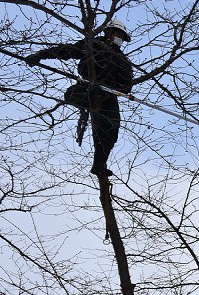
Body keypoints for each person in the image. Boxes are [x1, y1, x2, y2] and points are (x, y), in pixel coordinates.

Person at [25, 19, 133, 177]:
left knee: (111, 128)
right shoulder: (92, 45)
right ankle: (90, 99)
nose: (119, 38)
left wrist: (111, 85)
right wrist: (41, 55)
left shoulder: (122, 60)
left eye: (122, 37)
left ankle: (99, 165)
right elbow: (67, 51)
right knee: (72, 94)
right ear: (108, 32)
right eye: (117, 34)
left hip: (107, 95)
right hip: (86, 87)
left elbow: (126, 85)